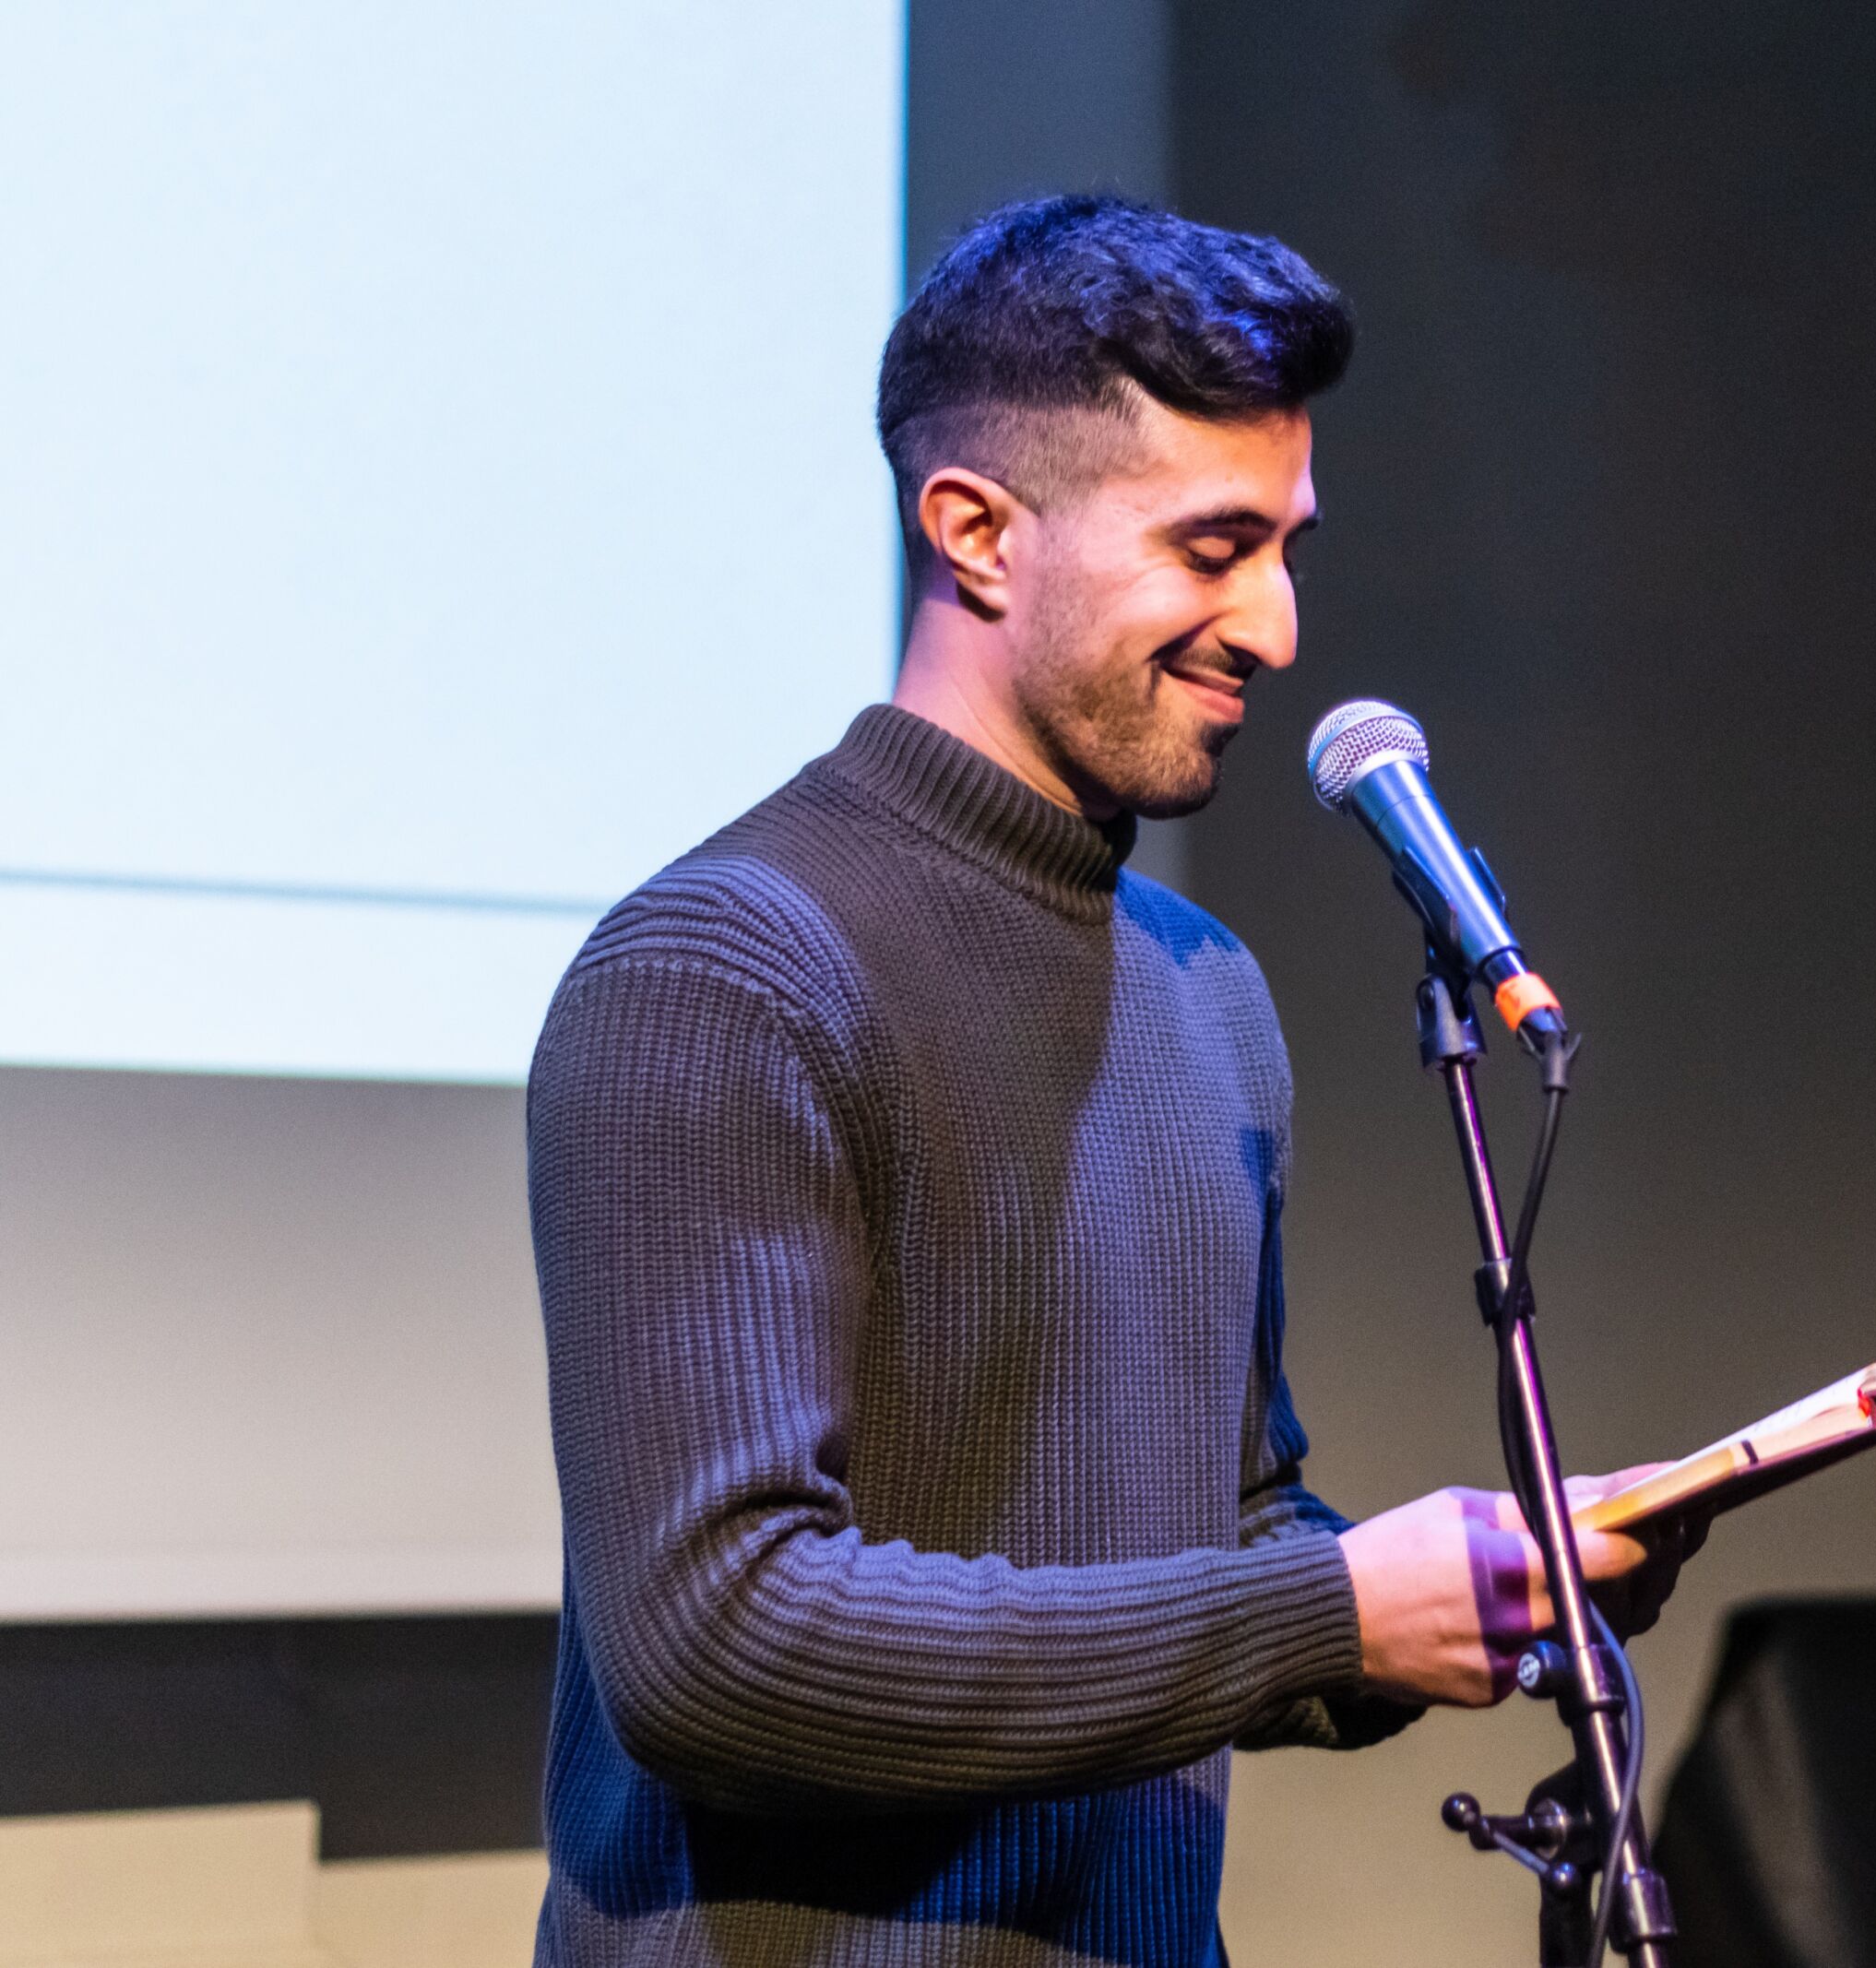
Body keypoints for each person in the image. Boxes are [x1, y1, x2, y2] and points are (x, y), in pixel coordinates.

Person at [526, 195, 1693, 1966]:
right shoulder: (723, 968)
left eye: (1288, 545)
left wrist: (1471, 1589)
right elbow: (717, 1644)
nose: (1280, 626)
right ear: (979, 532)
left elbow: (1219, 1535)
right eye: (1213, 547)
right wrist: (1322, 1612)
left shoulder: (1202, 987)